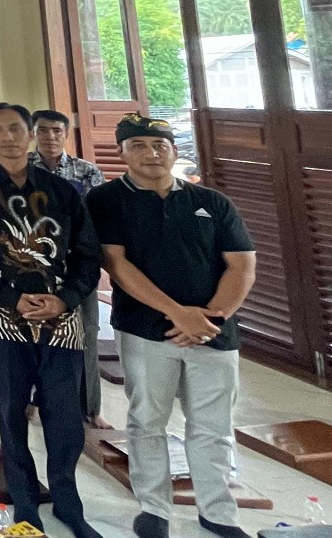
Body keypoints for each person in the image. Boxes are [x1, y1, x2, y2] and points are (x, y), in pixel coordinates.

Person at [86, 114, 257, 538]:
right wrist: (178, 313)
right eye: (139, 146)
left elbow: (241, 266)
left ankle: (218, 512)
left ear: (174, 151)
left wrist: (211, 317)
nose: (151, 153)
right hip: (145, 330)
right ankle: (154, 507)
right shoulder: (106, 199)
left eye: (159, 145)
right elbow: (116, 265)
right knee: (147, 420)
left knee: (213, 426)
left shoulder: (212, 202)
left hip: (214, 334)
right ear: (122, 153)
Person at [0, 103, 102, 538]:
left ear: (30, 134)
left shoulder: (63, 190)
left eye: (15, 129)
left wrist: (65, 299)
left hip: (62, 313)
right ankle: (24, 500)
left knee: (63, 412)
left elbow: (87, 255)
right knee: (11, 408)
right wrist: (9, 297)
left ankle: (68, 502)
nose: (8, 137)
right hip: (3, 312)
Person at [31, 108, 110, 427]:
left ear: (66, 134)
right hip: (33, 266)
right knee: (34, 335)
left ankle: (91, 408)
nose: (50, 136)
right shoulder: (20, 169)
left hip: (78, 265)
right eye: (43, 130)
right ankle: (34, 400)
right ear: (33, 133)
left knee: (87, 333)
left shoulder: (87, 172)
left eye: (56, 131)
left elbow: (98, 220)